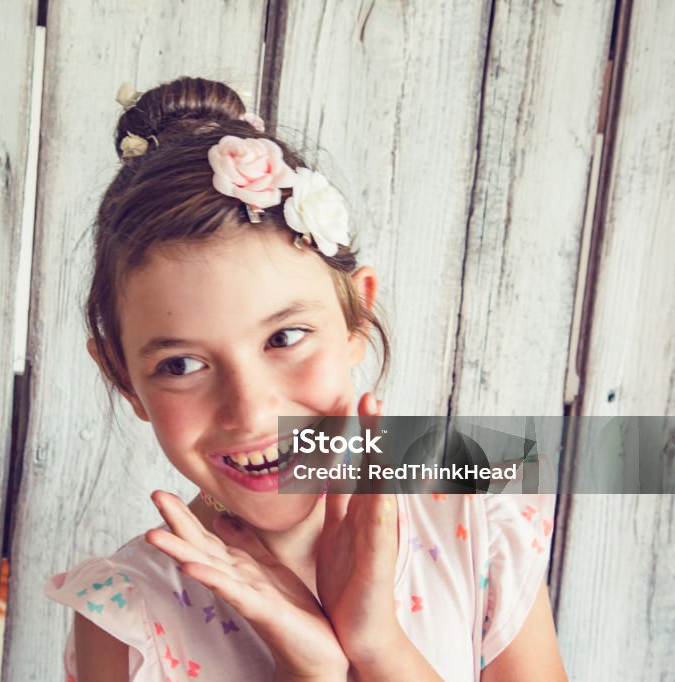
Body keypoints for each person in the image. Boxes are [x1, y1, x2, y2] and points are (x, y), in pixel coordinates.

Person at [44, 76, 566, 681]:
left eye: (284, 338)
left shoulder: (473, 517)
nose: (250, 411)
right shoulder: (128, 620)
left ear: (355, 317)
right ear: (122, 376)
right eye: (182, 365)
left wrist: (378, 647)